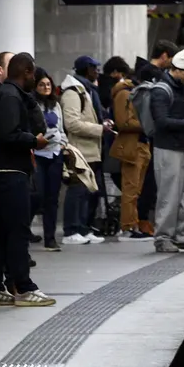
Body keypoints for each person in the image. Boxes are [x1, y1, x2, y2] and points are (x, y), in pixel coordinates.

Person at [0, 53, 56, 307]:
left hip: (2, 171)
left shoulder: (12, 95)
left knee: (0, 232)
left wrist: (30, 101)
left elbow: (38, 125)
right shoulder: (10, 97)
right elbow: (9, 133)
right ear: (26, 72)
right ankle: (23, 287)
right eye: (33, 73)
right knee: (17, 230)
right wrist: (34, 142)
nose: (36, 78)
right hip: (9, 172)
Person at [150, 49, 184, 254]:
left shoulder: (179, 88)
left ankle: (183, 236)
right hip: (167, 147)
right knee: (169, 195)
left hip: (182, 146)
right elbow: (161, 122)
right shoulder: (161, 91)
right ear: (177, 69)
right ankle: (163, 238)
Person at [60, 55, 111, 244]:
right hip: (79, 150)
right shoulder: (73, 93)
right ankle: (71, 230)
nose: (97, 72)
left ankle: (84, 228)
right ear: (86, 69)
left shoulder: (88, 90)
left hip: (92, 150)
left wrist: (103, 123)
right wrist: (100, 129)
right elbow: (72, 123)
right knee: (77, 191)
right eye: (94, 68)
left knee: (90, 192)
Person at [109, 67, 152, 238]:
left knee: (136, 190)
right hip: (132, 145)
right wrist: (147, 125)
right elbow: (123, 122)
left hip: (141, 143)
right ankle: (128, 226)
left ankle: (133, 225)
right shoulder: (124, 94)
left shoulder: (133, 93)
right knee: (130, 189)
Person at [31, 68, 67, 250]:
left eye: (48, 84)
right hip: (38, 154)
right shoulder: (31, 105)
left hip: (55, 153)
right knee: (37, 195)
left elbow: (61, 128)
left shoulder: (56, 105)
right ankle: (25, 230)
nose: (46, 87)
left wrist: (63, 143)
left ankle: (50, 237)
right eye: (41, 85)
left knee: (52, 198)